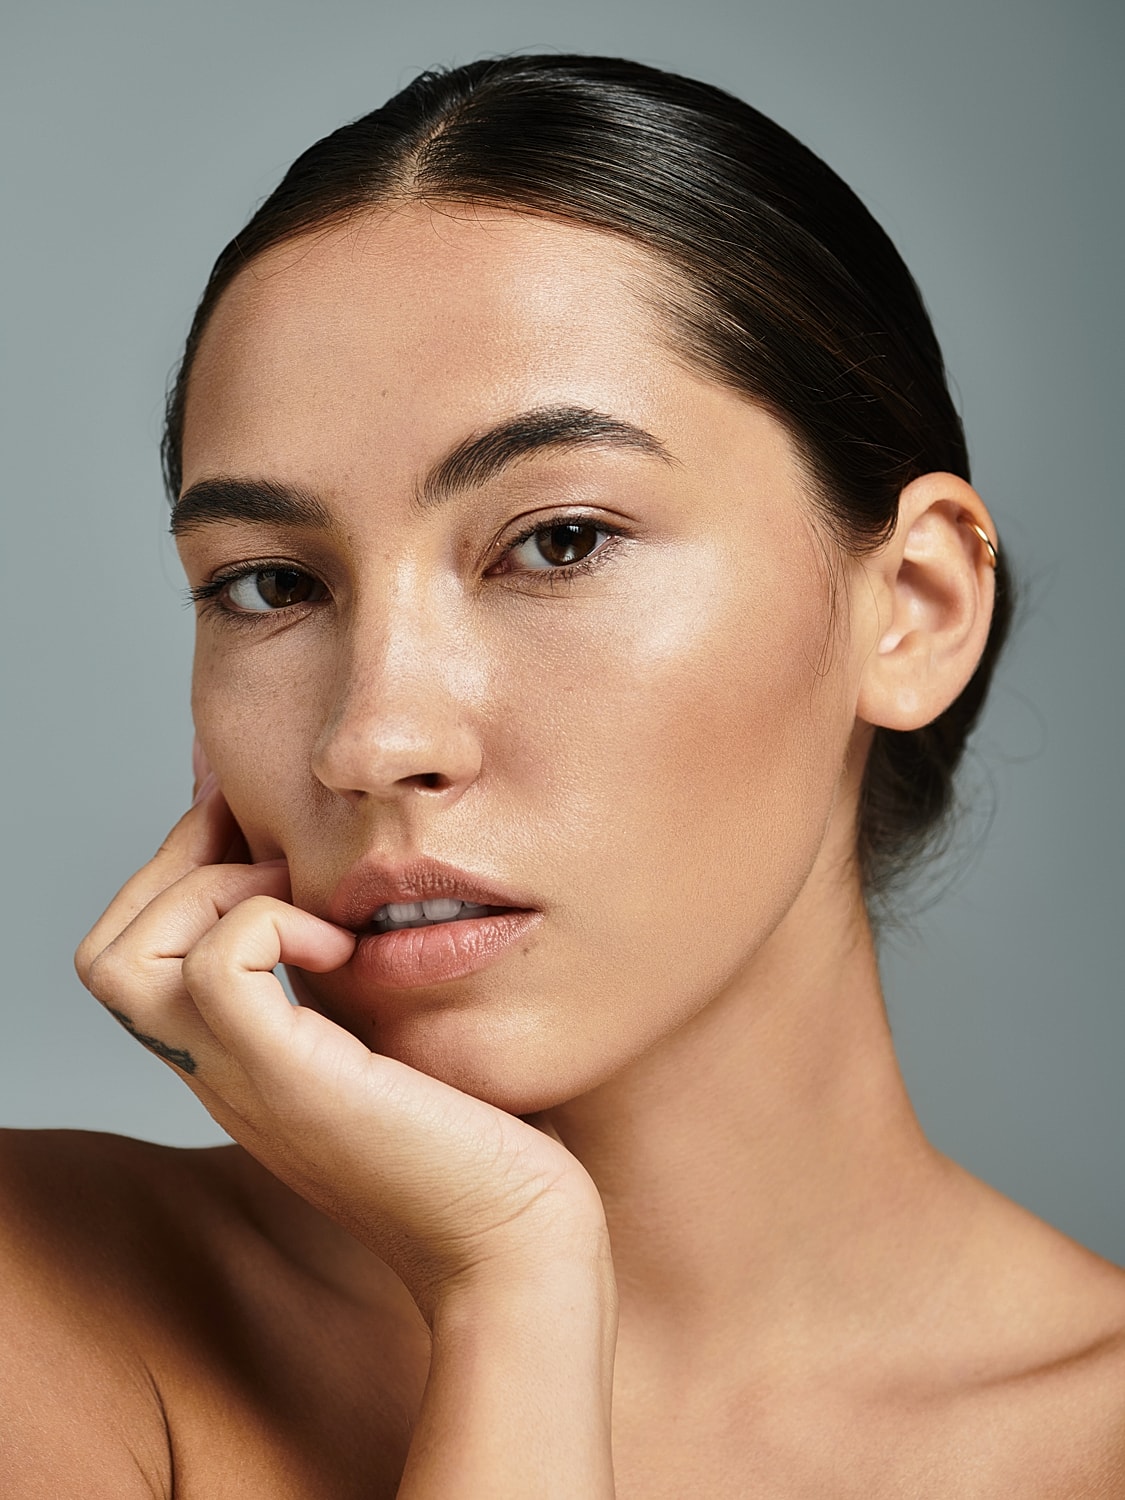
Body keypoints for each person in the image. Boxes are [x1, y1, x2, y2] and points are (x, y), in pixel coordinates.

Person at [2, 52, 1123, 1498]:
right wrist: (511, 1285)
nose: (373, 738)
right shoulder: (52, 1301)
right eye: (271, 583)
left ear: (909, 607)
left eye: (560, 541)